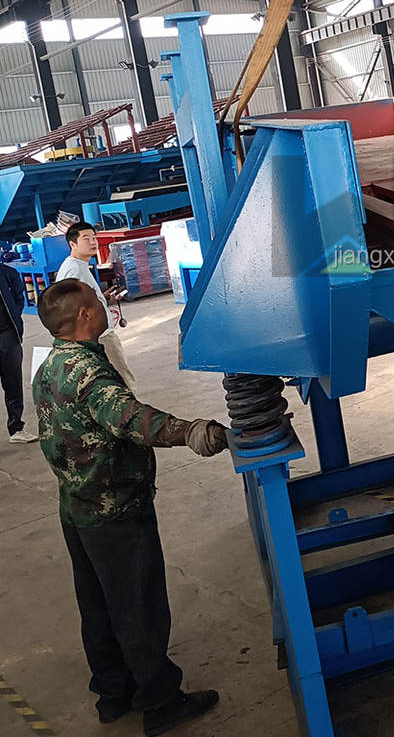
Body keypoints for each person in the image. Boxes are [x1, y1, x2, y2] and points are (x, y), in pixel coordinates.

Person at [34, 279, 228, 735]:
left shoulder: (49, 365)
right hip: (115, 510)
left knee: (97, 605)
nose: (104, 304)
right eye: (97, 301)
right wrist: (191, 431)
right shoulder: (88, 373)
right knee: (137, 608)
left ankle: (113, 694)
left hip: (77, 506)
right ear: (84, 314)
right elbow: (132, 419)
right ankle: (161, 703)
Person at [56, 221, 136, 391]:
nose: (93, 242)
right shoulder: (74, 270)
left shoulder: (79, 266)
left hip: (95, 335)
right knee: (122, 381)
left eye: (94, 238)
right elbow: (69, 309)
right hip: (99, 337)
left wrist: (102, 299)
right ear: (72, 244)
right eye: (86, 239)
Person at [0, 259, 35, 443]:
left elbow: (18, 300)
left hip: (8, 335)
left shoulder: (8, 274)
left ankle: (16, 429)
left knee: (13, 383)